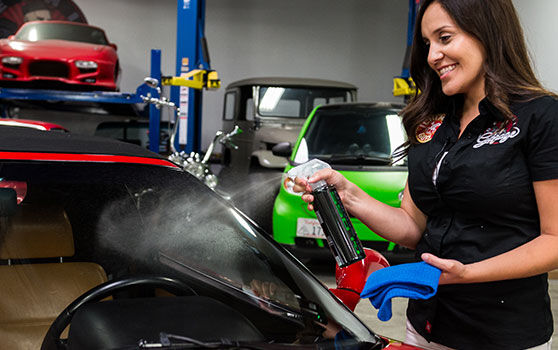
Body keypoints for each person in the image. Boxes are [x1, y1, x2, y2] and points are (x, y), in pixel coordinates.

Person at [293, 0, 558, 349]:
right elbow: (412, 226)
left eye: (445, 38)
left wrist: (467, 274)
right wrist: (348, 195)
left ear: (488, 33)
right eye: (428, 44)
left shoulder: (541, 117)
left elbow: (554, 240)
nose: (433, 55)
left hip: (505, 334)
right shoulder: (429, 122)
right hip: (424, 327)